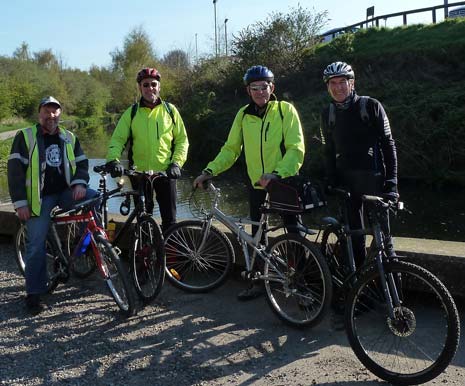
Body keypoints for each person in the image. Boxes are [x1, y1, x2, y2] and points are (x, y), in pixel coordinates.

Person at [193, 65, 305, 300]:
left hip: (283, 181)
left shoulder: (285, 111)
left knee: (294, 231)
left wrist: (277, 173)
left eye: (264, 87)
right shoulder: (243, 115)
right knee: (258, 233)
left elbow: (296, 148)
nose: (260, 92)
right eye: (254, 88)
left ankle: (303, 284)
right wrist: (209, 170)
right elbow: (231, 149)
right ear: (248, 90)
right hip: (256, 184)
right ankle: (259, 281)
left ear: (272, 87)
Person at [8, 96, 98, 315]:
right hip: (39, 199)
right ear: (39, 113)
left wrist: (79, 182)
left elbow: (82, 163)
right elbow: (15, 171)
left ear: (60, 114)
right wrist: (21, 203)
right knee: (36, 245)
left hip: (65, 192)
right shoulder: (25, 136)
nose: (51, 115)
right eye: (47, 111)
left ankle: (82, 247)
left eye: (55, 111)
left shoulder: (69, 137)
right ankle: (34, 294)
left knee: (95, 197)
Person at [320, 61, 399, 269]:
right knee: (354, 241)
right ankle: (360, 294)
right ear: (328, 86)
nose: (338, 87)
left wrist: (392, 184)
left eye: (342, 82)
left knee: (385, 242)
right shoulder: (327, 113)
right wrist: (330, 179)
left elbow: (389, 146)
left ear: (352, 83)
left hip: (374, 180)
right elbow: (328, 150)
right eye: (332, 83)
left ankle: (392, 298)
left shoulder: (371, 106)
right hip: (347, 184)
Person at [106, 67, 189, 232]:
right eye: (145, 85)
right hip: (140, 175)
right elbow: (117, 139)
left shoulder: (170, 111)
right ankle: (144, 255)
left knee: (170, 222)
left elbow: (182, 140)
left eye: (153, 84)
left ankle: (167, 257)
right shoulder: (132, 113)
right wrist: (113, 160)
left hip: (166, 173)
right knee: (143, 220)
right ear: (140, 88)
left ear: (159, 87)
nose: (150, 88)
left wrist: (176, 163)